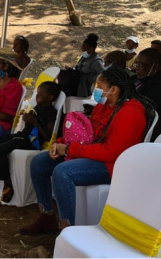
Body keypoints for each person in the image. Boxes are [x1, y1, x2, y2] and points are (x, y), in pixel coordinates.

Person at [21, 68, 153, 234]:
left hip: (112, 165)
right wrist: (59, 143)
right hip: (92, 153)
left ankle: (67, 230)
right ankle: (46, 217)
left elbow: (111, 152)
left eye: (99, 85)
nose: (95, 89)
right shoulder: (103, 106)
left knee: (63, 172)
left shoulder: (131, 113)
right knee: (39, 163)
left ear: (114, 89)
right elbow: (86, 133)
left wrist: (69, 149)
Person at [0, 82, 60, 202]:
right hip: (22, 136)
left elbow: (47, 136)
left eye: (41, 94)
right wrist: (27, 119)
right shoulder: (37, 107)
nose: (37, 96)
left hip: (32, 142)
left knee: (1, 148)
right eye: (37, 93)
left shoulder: (51, 112)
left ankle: (7, 182)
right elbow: (30, 126)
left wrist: (34, 122)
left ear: (50, 98)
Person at [134, 48, 161, 141]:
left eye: (141, 64)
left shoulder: (158, 85)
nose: (136, 67)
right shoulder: (138, 79)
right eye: (136, 63)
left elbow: (145, 107)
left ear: (155, 67)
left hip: (146, 129)